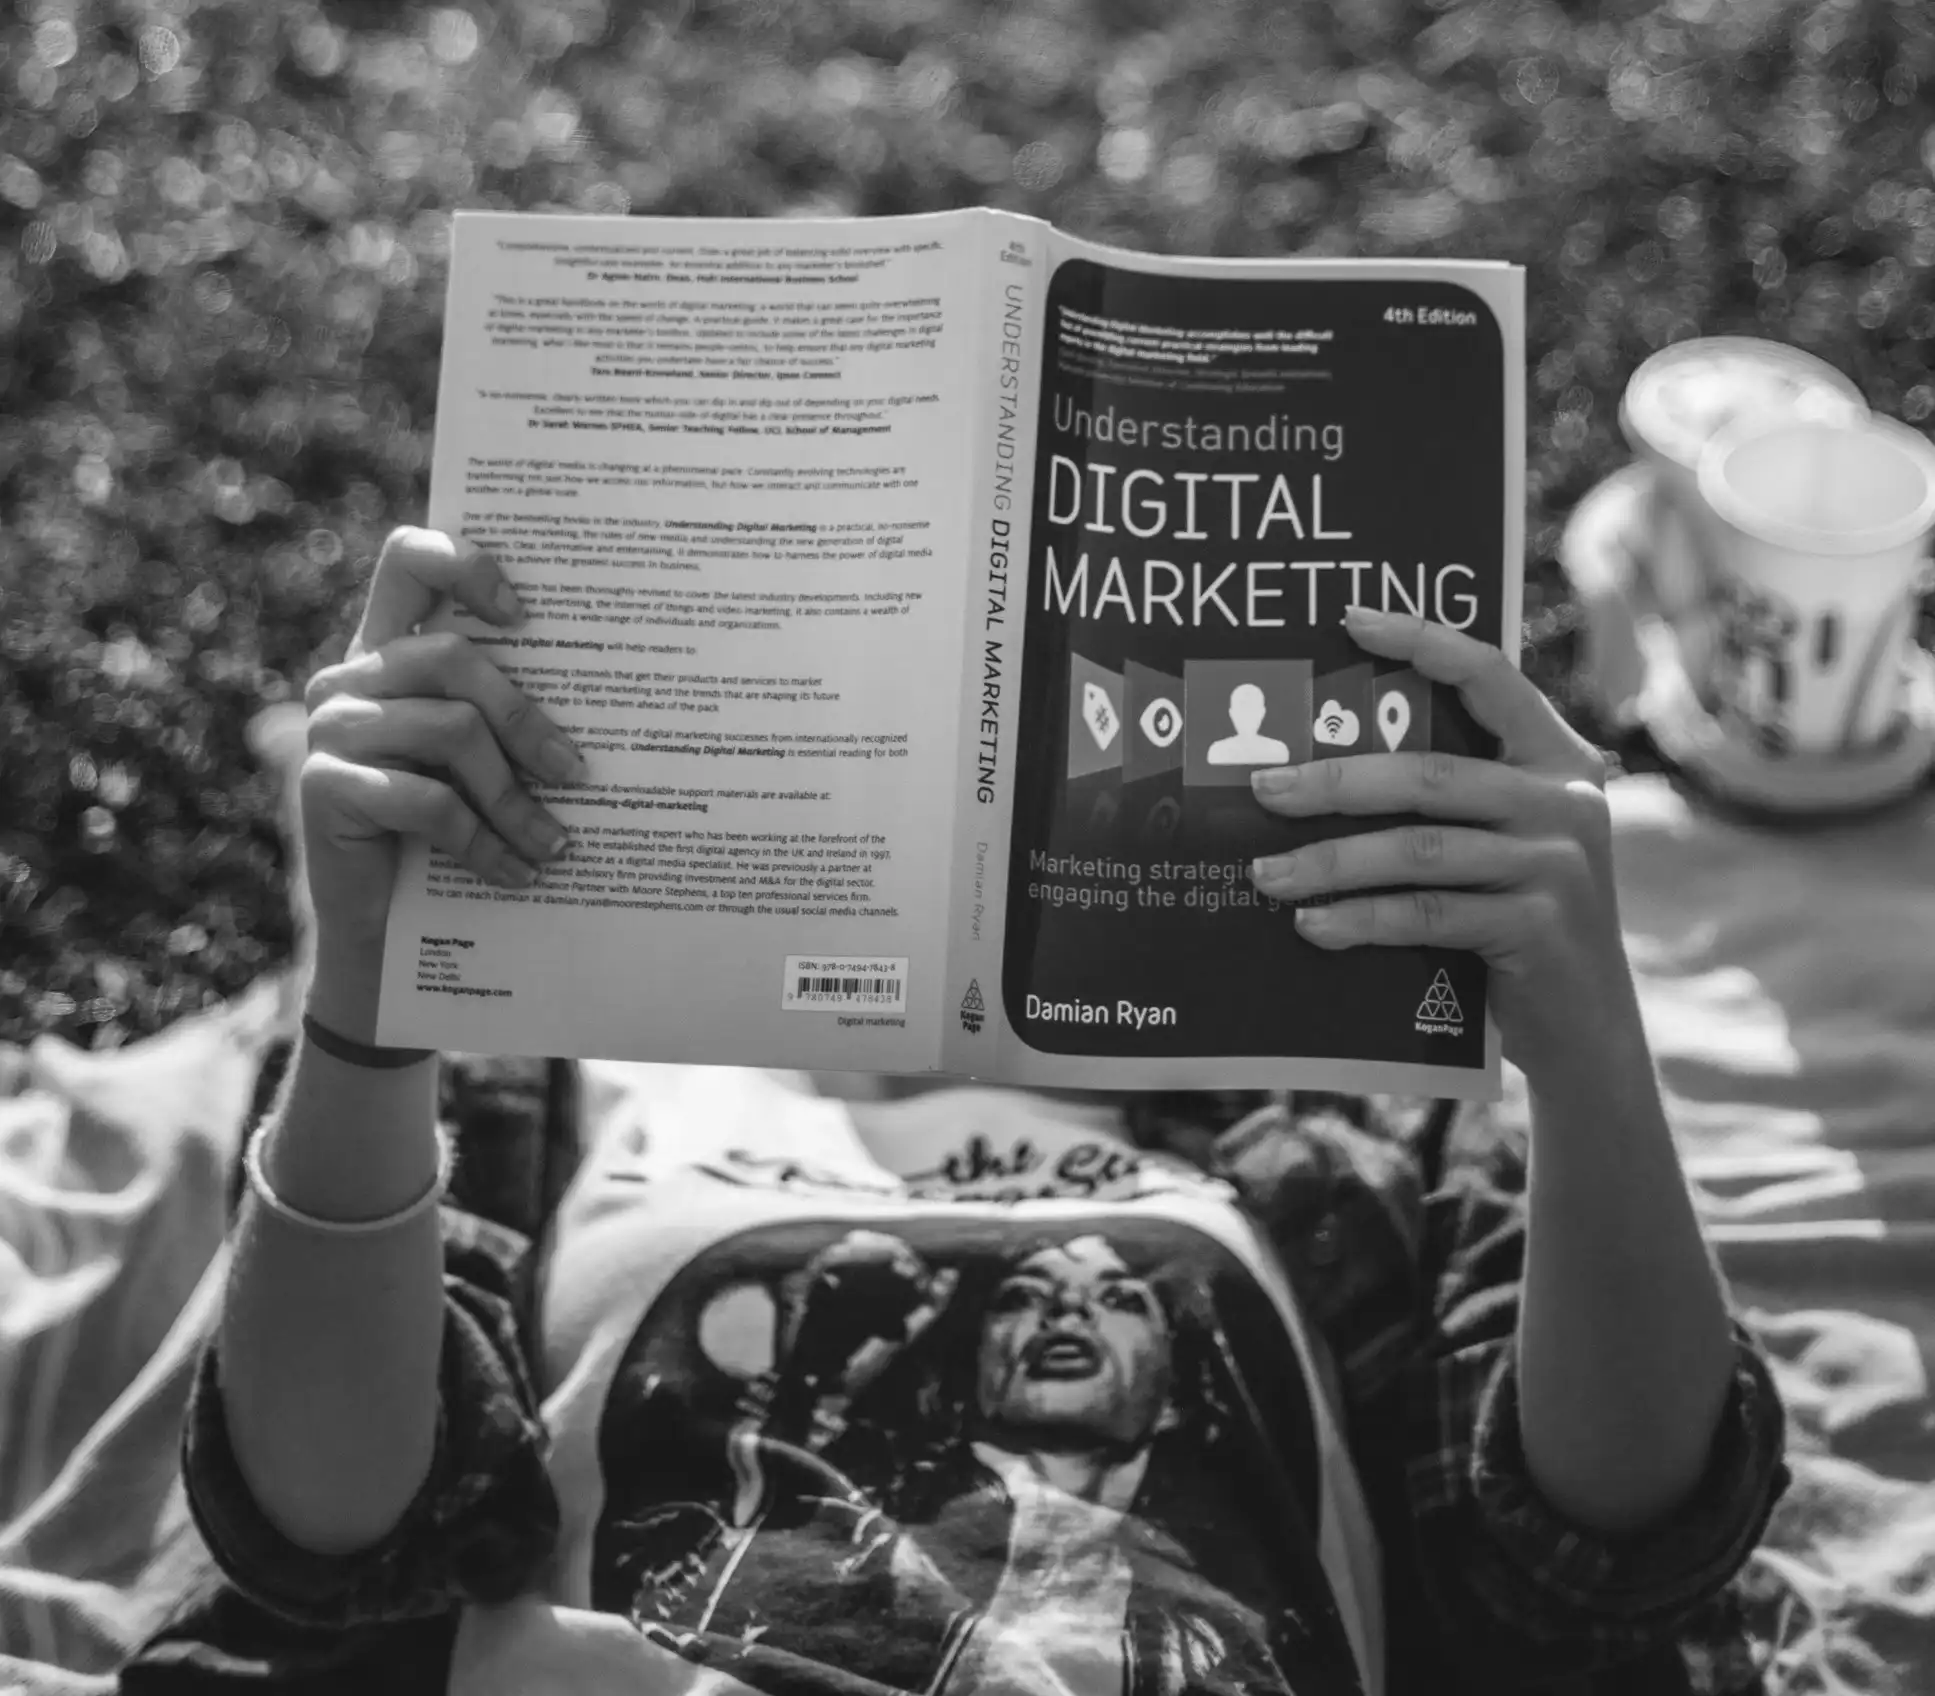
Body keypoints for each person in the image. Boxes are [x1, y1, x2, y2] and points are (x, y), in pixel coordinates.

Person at [154, 528, 1790, 1696]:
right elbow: (319, 1523)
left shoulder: (1325, 1089)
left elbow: (1612, 1541)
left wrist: (1589, 1056)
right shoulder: (537, 1061)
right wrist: (367, 1005)